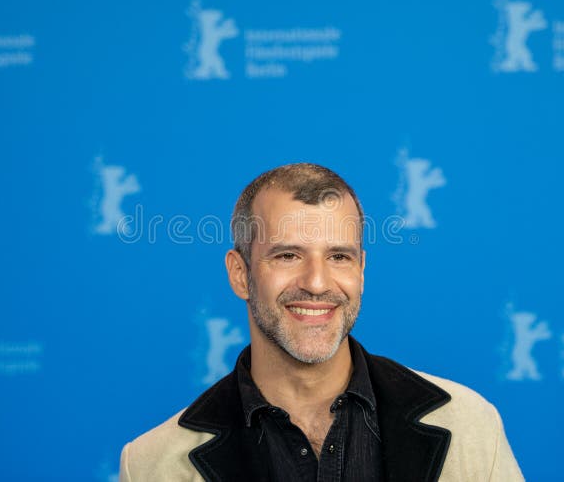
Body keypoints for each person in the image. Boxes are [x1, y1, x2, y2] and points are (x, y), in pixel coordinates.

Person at [120, 163, 525, 481]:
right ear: (240, 274)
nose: (316, 283)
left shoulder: (470, 427)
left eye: (338, 257)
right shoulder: (151, 464)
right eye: (287, 255)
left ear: (361, 270)